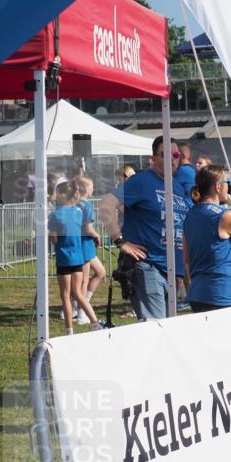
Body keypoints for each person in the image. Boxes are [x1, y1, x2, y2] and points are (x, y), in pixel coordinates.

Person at [99, 135, 190, 321]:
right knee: (156, 331)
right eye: (165, 154)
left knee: (168, 330)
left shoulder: (178, 187)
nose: (172, 159)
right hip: (148, 267)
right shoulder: (141, 181)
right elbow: (106, 205)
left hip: (172, 272)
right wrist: (120, 241)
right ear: (154, 159)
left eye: (176, 154)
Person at [183, 165, 231, 313]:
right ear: (218, 187)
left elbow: (186, 259)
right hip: (223, 293)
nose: (229, 187)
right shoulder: (224, 216)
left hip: (198, 293)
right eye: (227, 183)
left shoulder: (191, 215)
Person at [49, 181, 102, 334]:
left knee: (65, 295)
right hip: (78, 258)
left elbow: (54, 239)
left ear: (62, 195)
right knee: (79, 293)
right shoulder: (78, 212)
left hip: (64, 259)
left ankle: (69, 329)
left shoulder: (55, 215)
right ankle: (94, 322)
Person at [74, 176, 106, 324]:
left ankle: (78, 305)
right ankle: (82, 312)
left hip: (80, 244)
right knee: (83, 281)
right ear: (85, 189)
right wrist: (96, 234)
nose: (93, 189)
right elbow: (88, 228)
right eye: (92, 187)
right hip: (84, 245)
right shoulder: (86, 206)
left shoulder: (73, 203)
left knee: (100, 272)